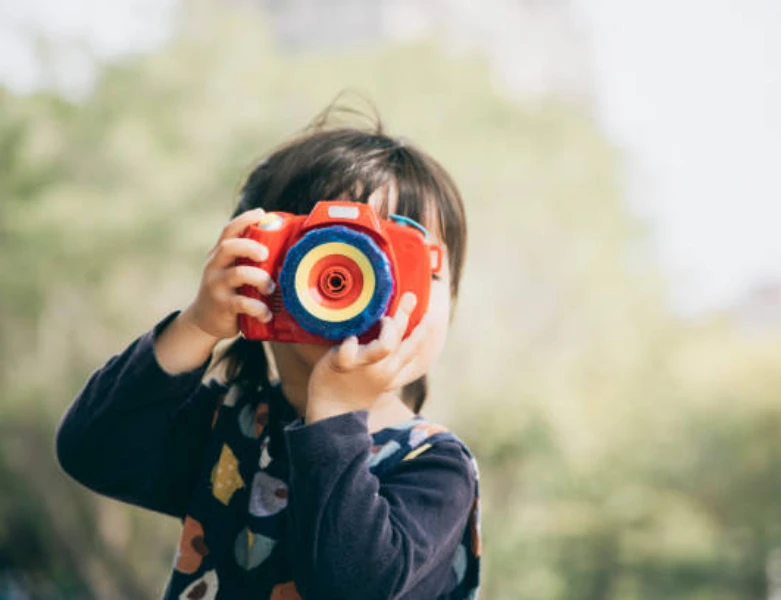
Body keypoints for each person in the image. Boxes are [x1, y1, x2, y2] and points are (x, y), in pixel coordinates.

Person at [55, 104, 481, 600]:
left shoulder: (432, 466)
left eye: (408, 263)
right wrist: (197, 325)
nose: (372, 291)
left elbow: (357, 588)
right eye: (339, 259)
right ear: (257, 272)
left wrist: (337, 412)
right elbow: (93, 450)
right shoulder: (230, 429)